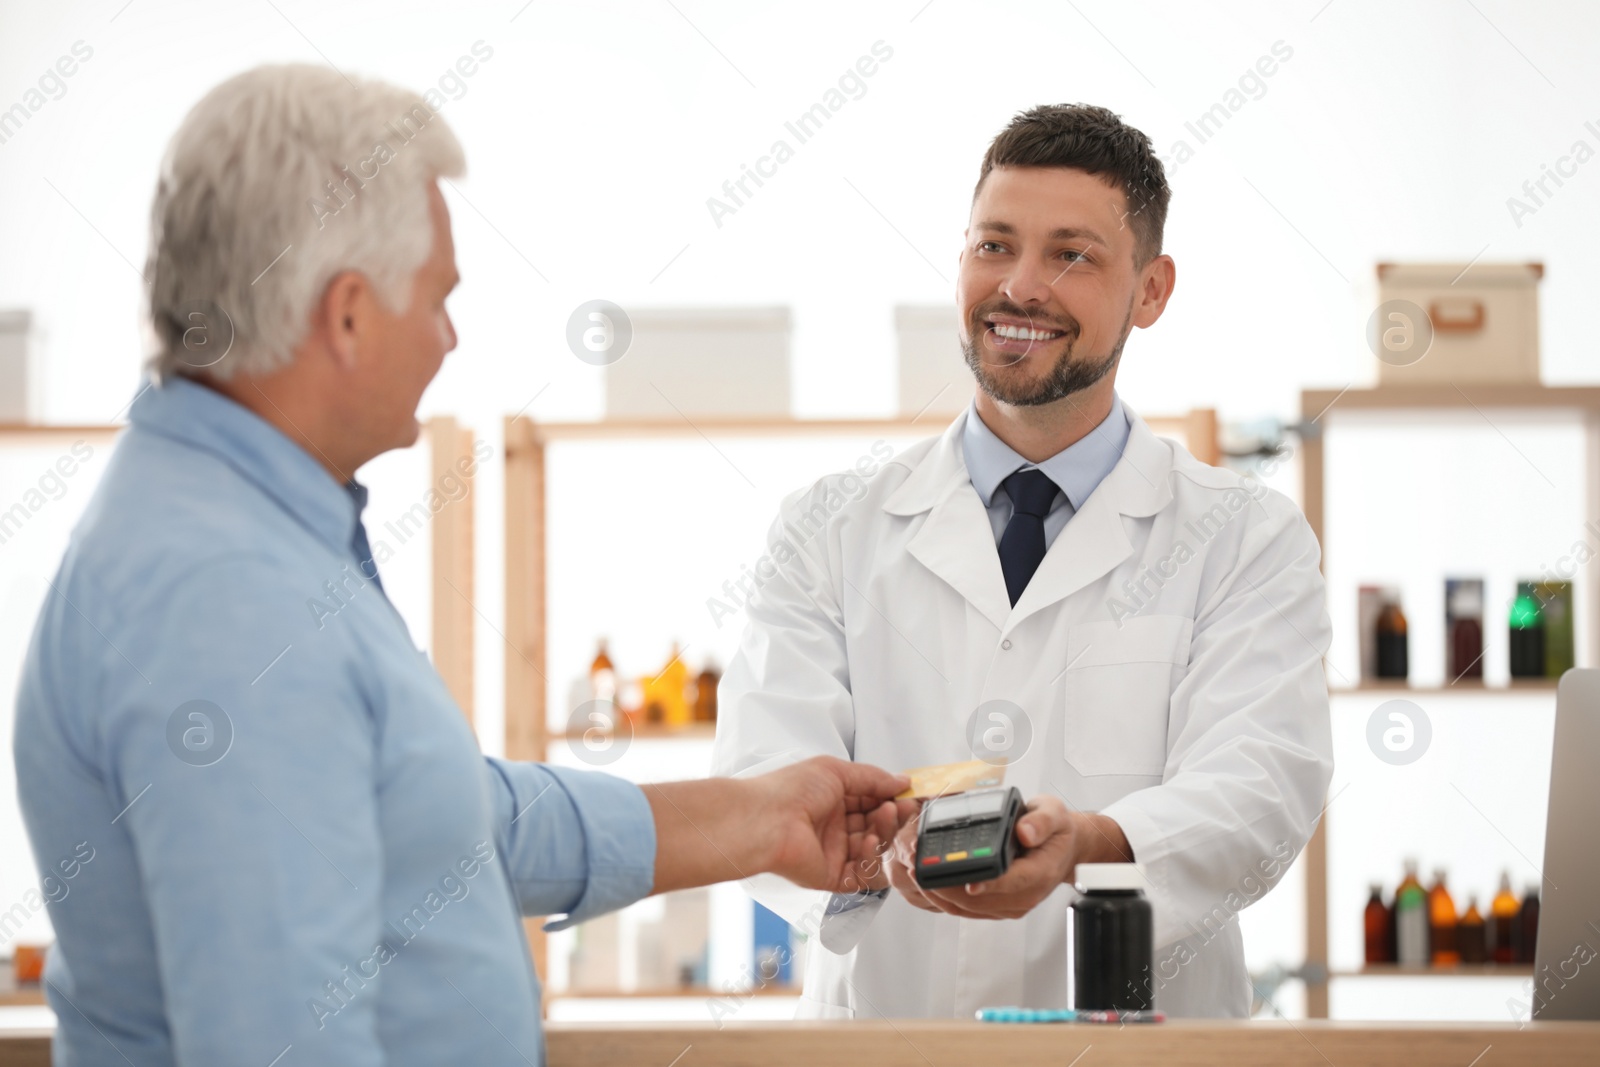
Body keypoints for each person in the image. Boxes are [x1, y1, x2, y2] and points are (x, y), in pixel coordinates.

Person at [12, 65, 910, 1067]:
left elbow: (438, 817)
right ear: (347, 314)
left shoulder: (233, 527)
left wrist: (759, 816)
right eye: (438, 298)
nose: (450, 336)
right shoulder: (226, 595)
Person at [710, 103, 1334, 1019]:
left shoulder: (1248, 538)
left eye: (1073, 255)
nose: (1022, 287)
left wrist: (1091, 844)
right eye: (994, 246)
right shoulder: (828, 528)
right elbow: (763, 772)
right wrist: (873, 857)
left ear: (1151, 290)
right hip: (894, 1035)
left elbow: (1260, 786)